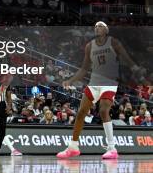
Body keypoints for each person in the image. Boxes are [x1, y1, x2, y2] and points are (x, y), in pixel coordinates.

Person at [57, 21, 136, 159]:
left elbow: (127, 58)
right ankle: (73, 147)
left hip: (109, 82)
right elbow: (84, 69)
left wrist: (135, 68)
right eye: (95, 27)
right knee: (81, 112)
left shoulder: (114, 42)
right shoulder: (89, 46)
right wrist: (70, 80)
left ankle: (112, 148)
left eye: (100, 26)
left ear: (106, 30)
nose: (97, 28)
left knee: (103, 110)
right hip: (94, 83)